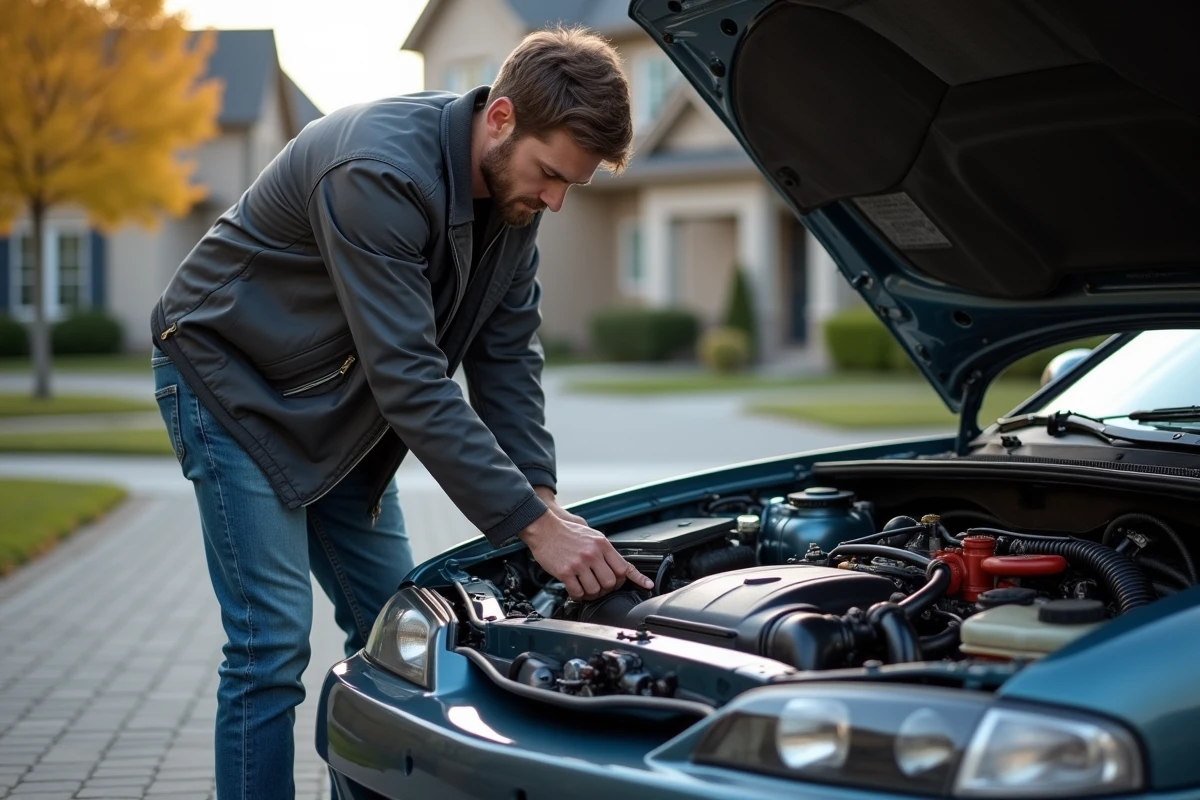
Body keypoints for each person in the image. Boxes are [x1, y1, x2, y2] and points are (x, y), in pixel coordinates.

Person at [150, 26, 651, 799]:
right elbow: (410, 380)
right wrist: (532, 527)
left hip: (337, 410)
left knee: (405, 631)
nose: (554, 199)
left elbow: (507, 357)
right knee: (270, 644)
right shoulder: (378, 169)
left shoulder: (515, 207)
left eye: (570, 188)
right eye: (550, 175)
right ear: (502, 117)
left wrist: (544, 503)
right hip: (230, 383)